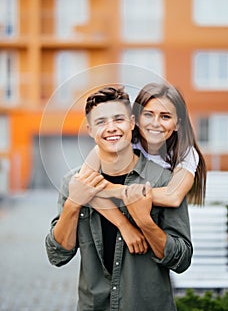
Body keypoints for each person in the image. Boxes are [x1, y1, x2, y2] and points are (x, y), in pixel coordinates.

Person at [45, 86, 193, 311]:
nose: (111, 128)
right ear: (90, 129)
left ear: (132, 123)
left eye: (118, 119)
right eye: (101, 122)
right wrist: (73, 204)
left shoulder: (164, 180)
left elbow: (181, 260)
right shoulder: (74, 182)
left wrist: (144, 223)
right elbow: (58, 255)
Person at [79, 82, 206, 253]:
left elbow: (173, 196)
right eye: (148, 114)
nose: (155, 123)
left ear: (177, 123)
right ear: (136, 119)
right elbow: (83, 186)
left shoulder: (185, 152)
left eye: (165, 117)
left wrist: (115, 190)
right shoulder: (123, 140)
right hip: (121, 229)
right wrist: (124, 226)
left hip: (163, 226)